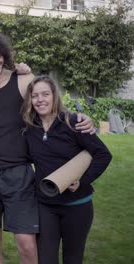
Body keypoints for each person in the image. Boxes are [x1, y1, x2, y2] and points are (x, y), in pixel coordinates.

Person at [0, 31, 95, 264]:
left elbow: (49, 105)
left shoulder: (22, 80)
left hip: (19, 173)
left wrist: (79, 118)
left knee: (26, 242)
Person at [22, 75, 112, 264]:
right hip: (46, 205)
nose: (40, 100)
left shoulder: (73, 123)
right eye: (35, 95)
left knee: (72, 258)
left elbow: (103, 154)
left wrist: (83, 180)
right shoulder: (30, 129)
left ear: (54, 96)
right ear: (30, 100)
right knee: (46, 259)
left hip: (77, 206)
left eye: (45, 94)